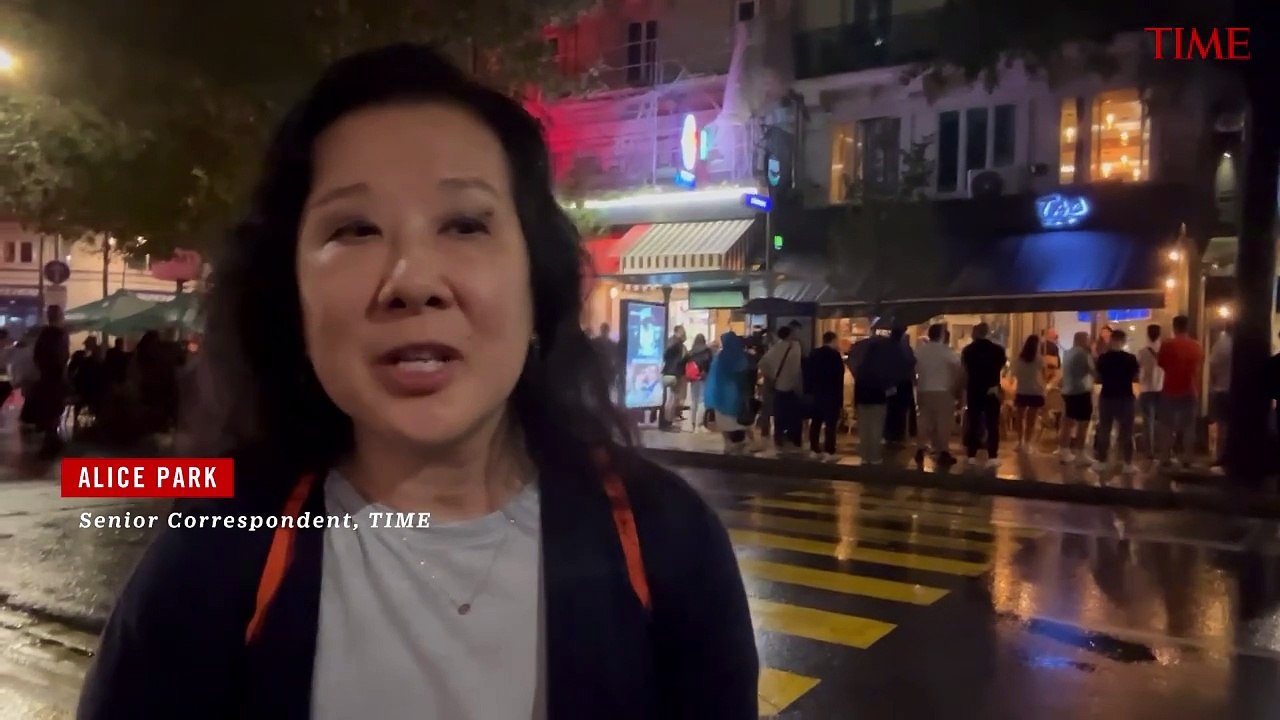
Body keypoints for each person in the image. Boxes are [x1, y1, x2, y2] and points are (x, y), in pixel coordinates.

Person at [79, 44, 757, 719]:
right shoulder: (213, 561)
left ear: (535, 281)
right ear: (291, 296)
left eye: (465, 224)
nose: (413, 281)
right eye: (355, 228)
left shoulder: (666, 542)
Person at [1157, 315, 1203, 468]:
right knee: (1189, 426)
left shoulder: (1167, 344)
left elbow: (1161, 363)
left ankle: (1165, 457)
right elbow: (1198, 365)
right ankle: (1187, 458)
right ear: (1187, 327)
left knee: (1167, 425)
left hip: (1170, 388)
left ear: (1174, 327)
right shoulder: (1196, 345)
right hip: (1190, 388)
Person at [959, 322, 1006, 469]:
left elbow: (965, 369)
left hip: (974, 389)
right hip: (992, 389)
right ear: (987, 333)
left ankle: (971, 455)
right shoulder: (998, 350)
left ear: (975, 333)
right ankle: (992, 456)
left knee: (974, 422)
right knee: (992, 424)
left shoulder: (968, 350)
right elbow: (1001, 366)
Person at [1093, 329, 1140, 473]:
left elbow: (1098, 377)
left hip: (1107, 396)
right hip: (1126, 397)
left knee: (1104, 430)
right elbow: (1135, 376)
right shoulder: (1131, 359)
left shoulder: (1103, 358)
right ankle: (1127, 463)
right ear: (1124, 341)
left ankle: (1102, 461)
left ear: (1111, 340)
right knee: (1127, 431)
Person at [913, 323, 960, 466]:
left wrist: (916, 383)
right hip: (943, 391)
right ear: (941, 335)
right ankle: (943, 451)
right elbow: (957, 368)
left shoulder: (920, 351)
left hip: (923, 390)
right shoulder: (946, 351)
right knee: (943, 423)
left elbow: (912, 368)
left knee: (924, 421)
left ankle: (920, 448)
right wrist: (955, 386)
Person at [758, 325, 805, 455]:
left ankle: (779, 439)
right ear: (789, 334)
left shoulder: (776, 348)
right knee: (794, 416)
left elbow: (762, 363)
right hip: (793, 388)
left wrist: (772, 376)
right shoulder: (796, 347)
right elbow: (798, 369)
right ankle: (793, 440)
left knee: (779, 416)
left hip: (779, 387)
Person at [705, 331, 753, 454]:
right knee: (740, 422)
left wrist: (710, 397)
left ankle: (727, 443)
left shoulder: (720, 358)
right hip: (737, 396)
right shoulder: (741, 357)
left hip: (721, 397)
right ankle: (746, 442)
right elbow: (745, 376)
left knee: (724, 422)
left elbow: (713, 378)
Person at [807, 331, 846, 461]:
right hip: (831, 394)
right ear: (833, 340)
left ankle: (814, 448)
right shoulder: (835, 356)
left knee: (816, 422)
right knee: (830, 424)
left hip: (816, 394)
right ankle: (829, 451)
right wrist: (840, 400)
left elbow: (808, 374)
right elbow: (839, 378)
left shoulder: (814, 354)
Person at [1057, 331, 1095, 463]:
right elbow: (1093, 371)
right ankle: (1080, 453)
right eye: (1087, 339)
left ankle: (1064, 451)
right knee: (1083, 424)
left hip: (1067, 391)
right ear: (1083, 340)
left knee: (1067, 423)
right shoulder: (1084, 354)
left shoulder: (1067, 353)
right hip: (1081, 391)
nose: (1089, 342)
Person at [1010, 334, 1046, 452]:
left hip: (1022, 390)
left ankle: (1020, 441)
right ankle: (1027, 443)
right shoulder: (1039, 359)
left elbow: (1014, 374)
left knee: (1020, 418)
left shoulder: (1018, 359)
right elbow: (1044, 374)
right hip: (1035, 391)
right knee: (1031, 419)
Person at [1207, 323, 1232, 471]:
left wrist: (1213, 384)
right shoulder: (1239, 344)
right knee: (1229, 425)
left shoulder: (1221, 345)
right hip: (1234, 391)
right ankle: (1227, 456)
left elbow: (1212, 366)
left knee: (1222, 425)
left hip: (1221, 390)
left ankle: (1221, 456)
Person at [1136, 324, 1164, 459]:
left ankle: (1150, 451)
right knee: (1165, 422)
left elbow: (1137, 369)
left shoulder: (1142, 352)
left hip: (1146, 390)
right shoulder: (1165, 350)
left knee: (1148, 423)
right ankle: (1165, 451)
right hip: (1162, 389)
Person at [660, 325, 688, 430]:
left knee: (669, 398)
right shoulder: (678, 344)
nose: (684, 333)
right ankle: (667, 422)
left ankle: (665, 421)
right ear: (677, 331)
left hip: (667, 372)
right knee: (672, 399)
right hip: (675, 373)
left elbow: (665, 356)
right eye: (682, 331)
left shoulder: (670, 341)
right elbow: (683, 358)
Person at [684, 333, 713, 432]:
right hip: (703, 378)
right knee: (702, 401)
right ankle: (699, 425)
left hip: (693, 379)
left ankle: (692, 424)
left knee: (694, 400)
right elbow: (710, 363)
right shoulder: (707, 350)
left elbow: (685, 363)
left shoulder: (691, 352)